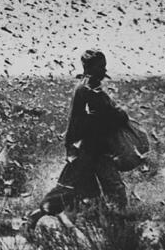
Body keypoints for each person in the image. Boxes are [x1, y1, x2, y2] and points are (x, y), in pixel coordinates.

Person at [25, 50, 129, 229]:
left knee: (85, 192)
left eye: (104, 66)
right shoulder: (87, 90)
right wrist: (118, 115)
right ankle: (119, 228)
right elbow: (78, 120)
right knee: (87, 191)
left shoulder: (90, 89)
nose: (104, 70)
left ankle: (113, 227)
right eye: (100, 66)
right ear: (89, 68)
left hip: (95, 150)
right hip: (90, 151)